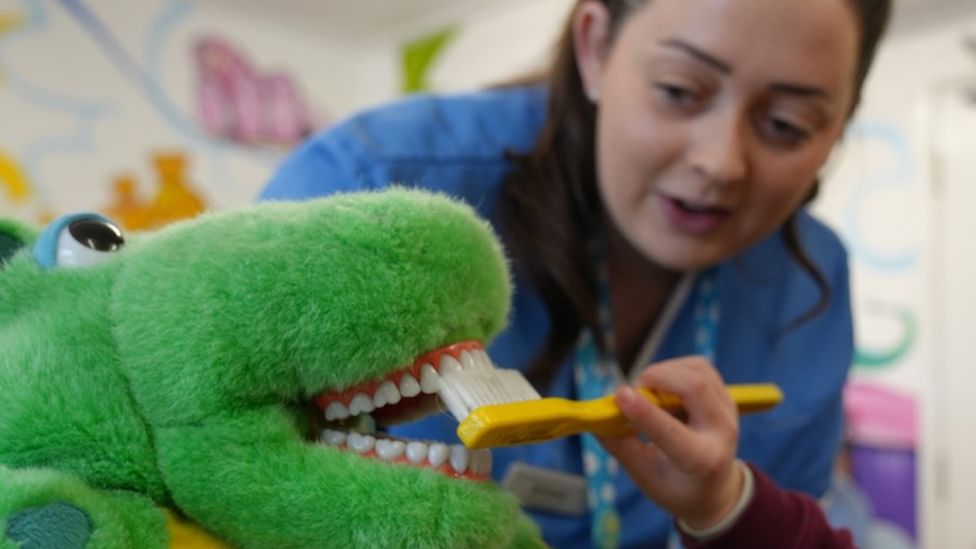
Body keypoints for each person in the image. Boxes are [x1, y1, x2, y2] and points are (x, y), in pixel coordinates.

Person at [260, 0, 892, 546]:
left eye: (787, 125)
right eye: (679, 90)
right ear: (595, 46)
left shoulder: (811, 284)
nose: (721, 163)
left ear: (840, 125)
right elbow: (221, 467)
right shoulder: (366, 190)